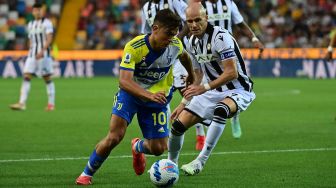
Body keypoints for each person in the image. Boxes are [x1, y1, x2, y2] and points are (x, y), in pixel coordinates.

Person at [75, 9, 194, 185]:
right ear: (154, 28)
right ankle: (87, 173)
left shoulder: (174, 45)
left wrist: (191, 75)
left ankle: (138, 146)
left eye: (174, 34)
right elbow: (124, 81)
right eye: (168, 34)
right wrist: (149, 95)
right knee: (115, 136)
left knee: (159, 149)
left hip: (157, 100)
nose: (171, 39)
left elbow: (184, 56)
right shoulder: (135, 47)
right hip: (131, 94)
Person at [168, 2, 255, 175]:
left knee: (221, 110)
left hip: (238, 90)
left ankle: (201, 160)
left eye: (197, 20)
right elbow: (198, 75)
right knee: (177, 126)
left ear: (206, 18)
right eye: (189, 21)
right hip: (213, 91)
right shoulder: (191, 42)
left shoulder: (221, 37)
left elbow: (232, 73)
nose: (193, 25)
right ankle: (171, 165)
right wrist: (183, 103)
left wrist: (204, 87)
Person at [189, 0, 264, 140]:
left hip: (226, 49)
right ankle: (206, 128)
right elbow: (191, 24)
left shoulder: (228, 3)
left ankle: (234, 115)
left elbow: (240, 23)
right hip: (206, 51)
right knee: (204, 87)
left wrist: (254, 39)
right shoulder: (200, 7)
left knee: (233, 82)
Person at [9, 3, 55, 111]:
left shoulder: (47, 23)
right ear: (33, 12)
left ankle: (51, 104)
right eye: (35, 10)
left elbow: (49, 38)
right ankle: (21, 103)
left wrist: (42, 51)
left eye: (39, 10)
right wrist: (27, 52)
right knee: (26, 76)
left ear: (42, 11)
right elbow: (31, 41)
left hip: (44, 55)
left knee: (47, 78)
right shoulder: (30, 24)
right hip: (32, 55)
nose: (37, 12)